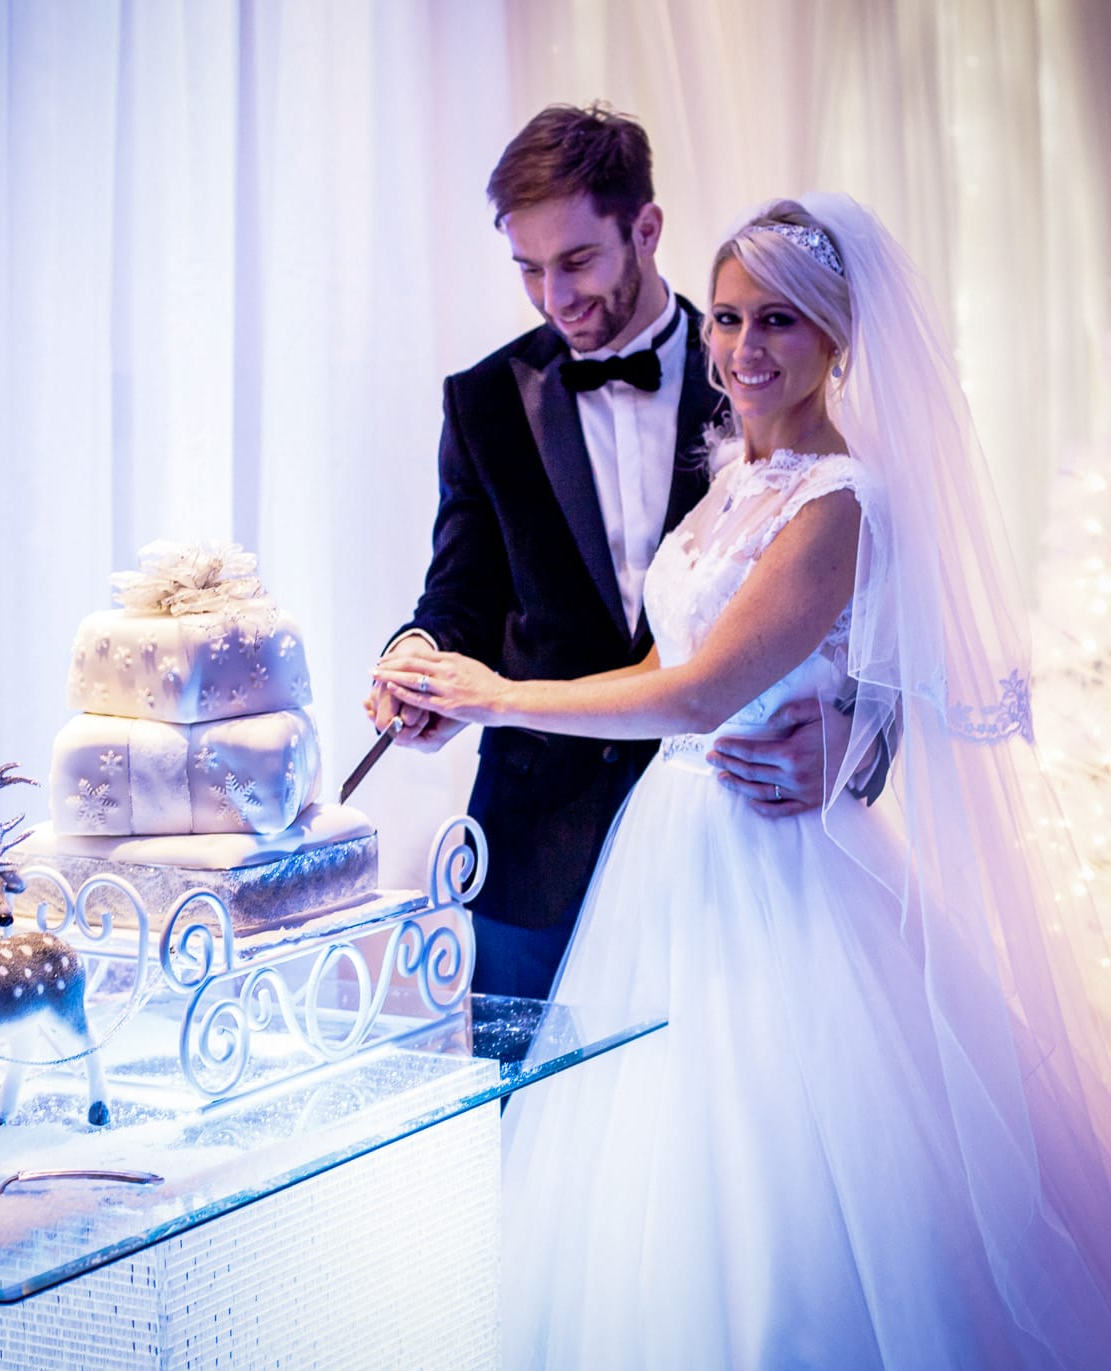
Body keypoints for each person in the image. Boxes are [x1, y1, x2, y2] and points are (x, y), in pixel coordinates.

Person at [375, 196, 1111, 1368]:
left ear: (836, 335)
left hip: (771, 869)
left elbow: (708, 697)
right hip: (655, 858)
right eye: (731, 318)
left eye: (777, 323)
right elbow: (657, 659)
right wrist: (432, 670)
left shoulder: (841, 497)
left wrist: (501, 696)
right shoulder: (736, 475)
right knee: (646, 1169)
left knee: (792, 1165)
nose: (741, 349)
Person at [367, 104, 876, 1002]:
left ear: (645, 229)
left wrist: (861, 742)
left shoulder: (760, 379)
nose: (555, 298)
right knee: (544, 1135)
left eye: (577, 262)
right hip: (534, 852)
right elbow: (458, 594)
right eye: (528, 269)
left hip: (741, 848)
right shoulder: (483, 401)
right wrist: (418, 656)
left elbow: (874, 616)